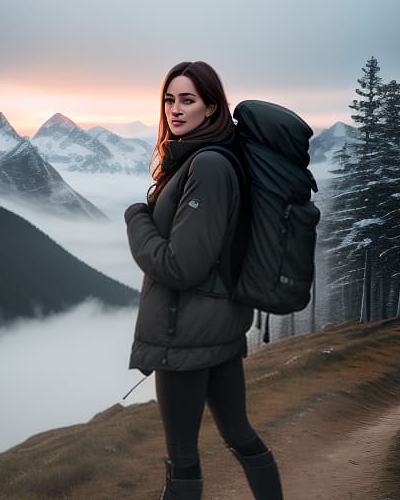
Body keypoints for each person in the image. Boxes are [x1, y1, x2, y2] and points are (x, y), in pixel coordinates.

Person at [124, 61, 284, 500]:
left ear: (211, 107)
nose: (175, 110)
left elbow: (180, 267)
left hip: (187, 336)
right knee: (239, 434)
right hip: (215, 327)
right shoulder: (205, 159)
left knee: (183, 459)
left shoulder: (209, 167)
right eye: (169, 100)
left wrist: (136, 218)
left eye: (188, 100)